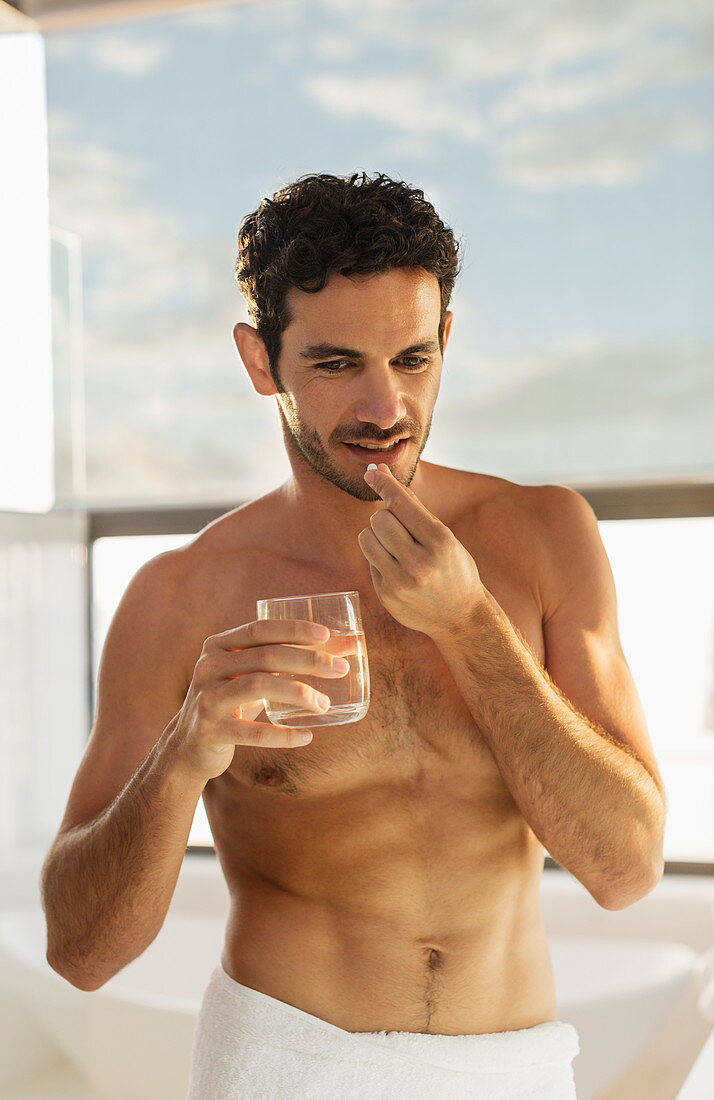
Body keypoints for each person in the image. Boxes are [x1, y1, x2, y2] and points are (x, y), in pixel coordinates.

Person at [41, 170, 666, 1099]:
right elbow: (81, 955)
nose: (383, 409)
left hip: (512, 1071)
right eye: (336, 365)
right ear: (261, 362)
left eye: (412, 360)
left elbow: (624, 871)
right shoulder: (180, 596)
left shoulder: (542, 537)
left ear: (446, 338)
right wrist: (184, 754)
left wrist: (471, 626)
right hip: (285, 1066)